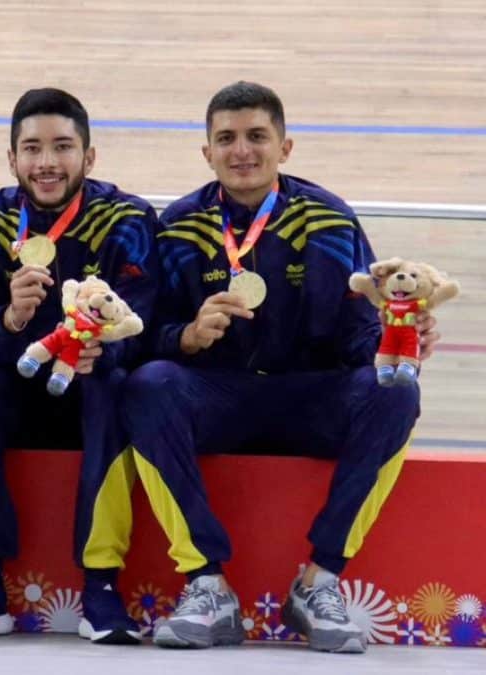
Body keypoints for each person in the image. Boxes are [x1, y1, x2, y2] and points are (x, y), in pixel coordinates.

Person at [124, 81, 438, 653]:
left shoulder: (329, 219)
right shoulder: (177, 226)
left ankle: (320, 582)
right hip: (219, 396)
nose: (242, 150)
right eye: (226, 138)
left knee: (395, 391)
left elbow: (360, 333)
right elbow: (143, 333)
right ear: (207, 152)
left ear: (285, 147)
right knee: (148, 386)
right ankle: (205, 584)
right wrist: (187, 337)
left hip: (310, 398)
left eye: (256, 137)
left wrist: (400, 342)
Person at [0, 88, 159, 641]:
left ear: (89, 156)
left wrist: (103, 349)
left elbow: (146, 323)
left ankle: (102, 585)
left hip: (90, 390)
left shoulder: (127, 219)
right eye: (32, 148)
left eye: (62, 147)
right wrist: (9, 321)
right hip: (14, 392)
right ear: (11, 158)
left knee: (117, 383)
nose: (46, 163)